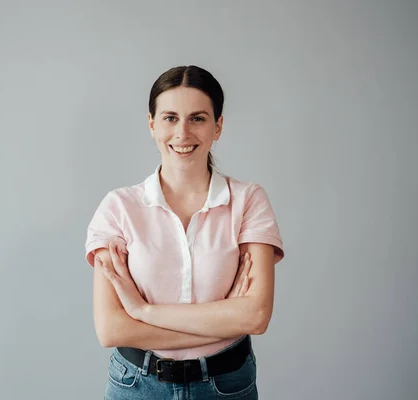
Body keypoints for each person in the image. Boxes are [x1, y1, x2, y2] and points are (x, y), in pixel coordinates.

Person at [84, 65, 285, 399]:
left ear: (218, 126)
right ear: (151, 124)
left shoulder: (249, 200)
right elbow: (111, 329)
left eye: (198, 118)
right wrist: (222, 321)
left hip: (226, 385)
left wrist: (143, 313)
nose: (182, 133)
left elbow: (256, 316)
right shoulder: (118, 207)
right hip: (138, 386)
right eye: (170, 118)